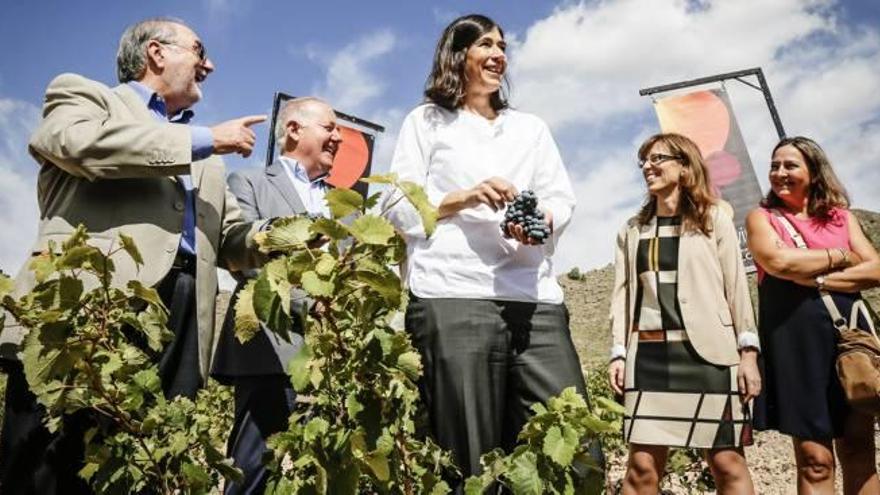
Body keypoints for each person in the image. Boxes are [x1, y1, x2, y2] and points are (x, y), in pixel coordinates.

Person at [0, 17, 269, 494]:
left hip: (185, 318)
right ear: (156, 53)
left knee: (148, 463)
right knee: (47, 463)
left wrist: (283, 238)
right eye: (199, 50)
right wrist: (203, 139)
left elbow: (230, 241)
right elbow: (74, 144)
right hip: (91, 305)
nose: (211, 64)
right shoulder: (86, 97)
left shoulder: (210, 159)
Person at [381, 13, 590, 484]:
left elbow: (560, 197)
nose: (498, 54)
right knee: (469, 453)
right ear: (458, 55)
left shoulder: (530, 128)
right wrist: (465, 196)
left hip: (533, 296)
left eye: (501, 45)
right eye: (485, 45)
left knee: (571, 438)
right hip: (454, 295)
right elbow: (398, 207)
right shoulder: (427, 122)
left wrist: (539, 224)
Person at [607, 133, 761, 494]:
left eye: (657, 158)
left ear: (684, 165)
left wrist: (749, 353)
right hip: (648, 356)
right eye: (643, 160)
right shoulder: (632, 229)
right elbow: (622, 294)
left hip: (709, 355)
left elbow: (736, 289)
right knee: (642, 469)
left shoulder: (714, 219)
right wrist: (617, 351)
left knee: (727, 463)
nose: (647, 166)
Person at [211, 97, 342, 494]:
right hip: (272, 346)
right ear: (294, 130)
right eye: (330, 128)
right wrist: (312, 297)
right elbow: (244, 257)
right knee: (253, 471)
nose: (338, 137)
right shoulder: (249, 183)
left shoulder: (344, 203)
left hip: (332, 357)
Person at [746, 136, 880, 495]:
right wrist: (842, 256)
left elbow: (878, 269)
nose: (779, 172)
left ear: (814, 172)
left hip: (848, 338)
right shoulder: (761, 218)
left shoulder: (841, 217)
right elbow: (778, 261)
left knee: (858, 449)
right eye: (775, 165)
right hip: (793, 341)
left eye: (790, 165)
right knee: (815, 459)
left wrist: (816, 276)